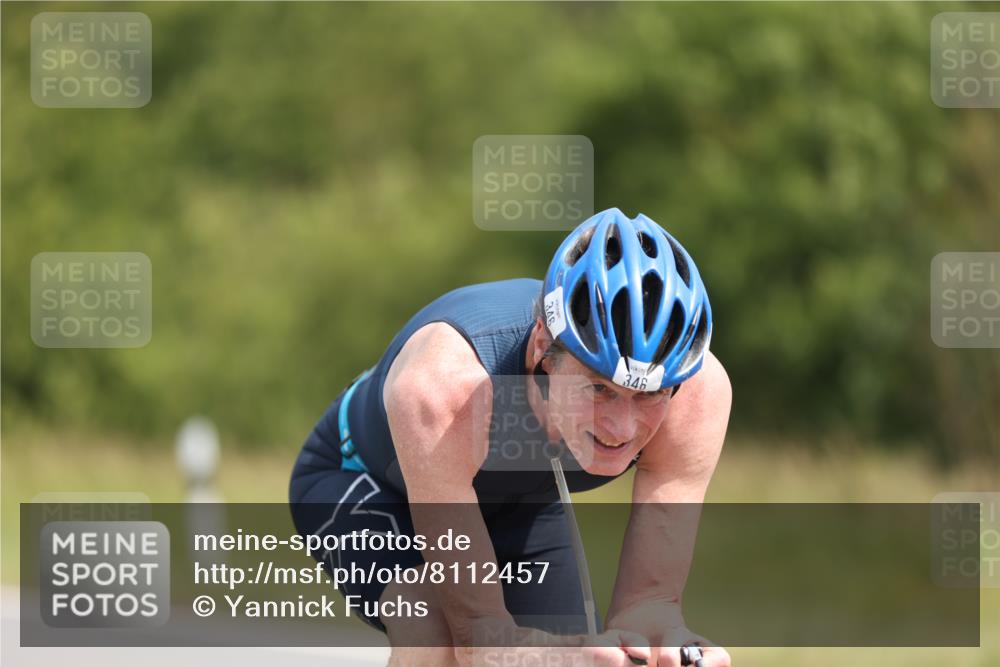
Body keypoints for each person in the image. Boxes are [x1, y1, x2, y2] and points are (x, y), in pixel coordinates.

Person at [289, 208, 733, 667]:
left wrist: (656, 644)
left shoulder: (696, 397)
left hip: (519, 501)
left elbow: (649, 608)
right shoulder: (449, 387)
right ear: (544, 345)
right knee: (436, 636)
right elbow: (481, 642)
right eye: (599, 388)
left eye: (649, 396)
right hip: (366, 481)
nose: (622, 428)